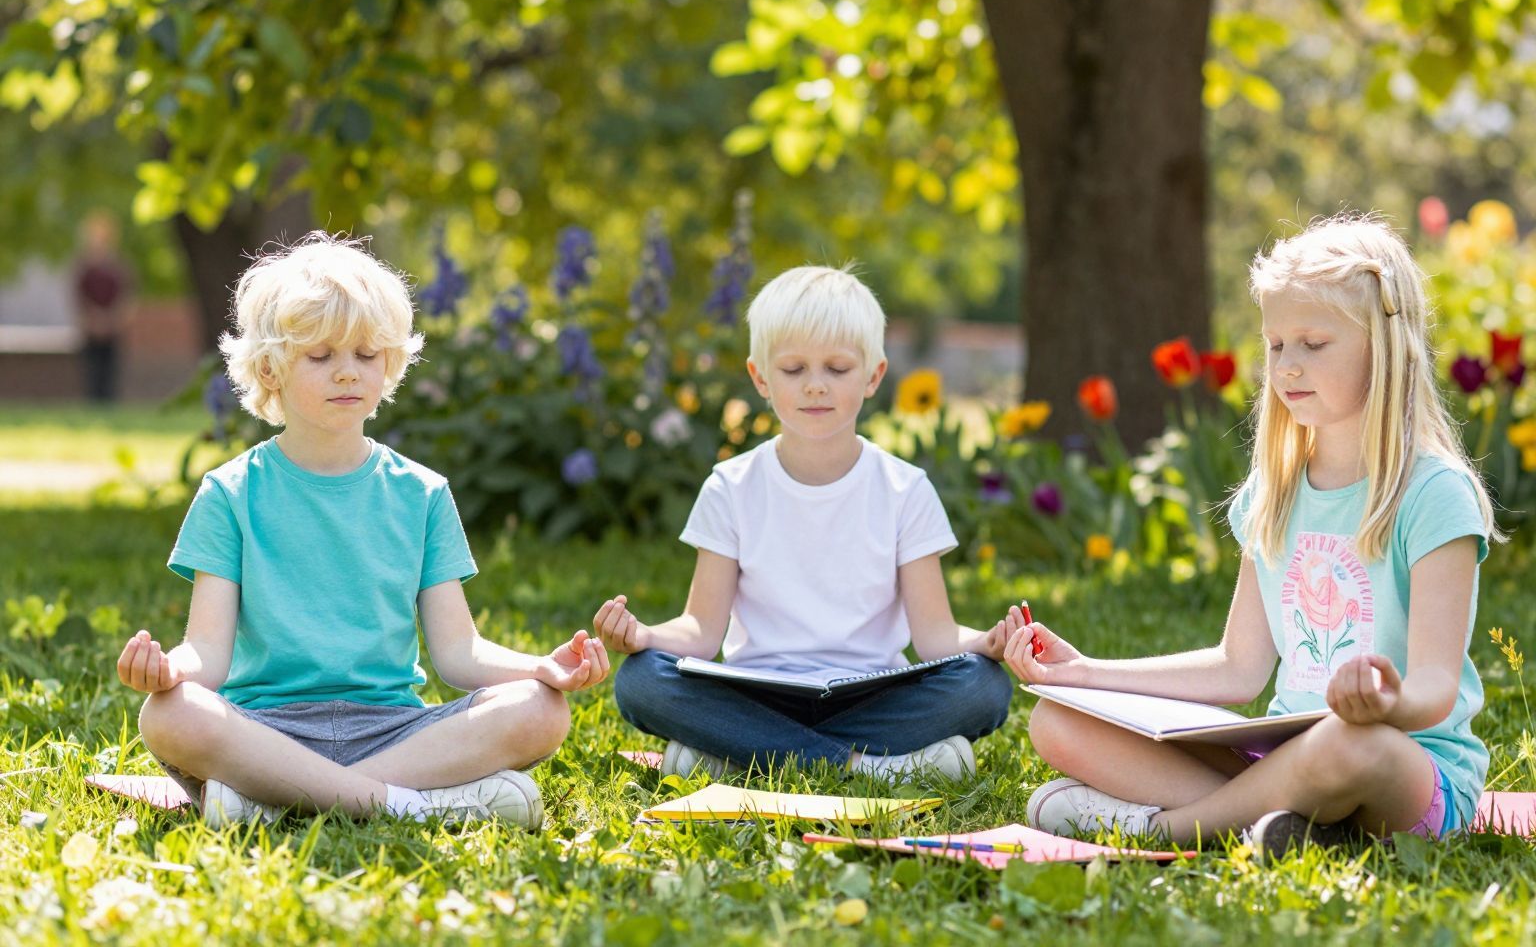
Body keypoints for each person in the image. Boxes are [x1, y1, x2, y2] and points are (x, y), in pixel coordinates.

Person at [1007, 213, 1500, 857]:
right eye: (1275, 345)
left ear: (1386, 347)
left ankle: (1159, 829)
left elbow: (1436, 689)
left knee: (1345, 741)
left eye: (1313, 344)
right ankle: (1297, 826)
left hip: (1404, 766)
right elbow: (1238, 669)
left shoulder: (1434, 494)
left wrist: (1384, 705)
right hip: (1286, 755)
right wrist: (1086, 673)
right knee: (1058, 720)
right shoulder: (1275, 492)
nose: (1287, 367)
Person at [115, 232, 614, 828]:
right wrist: (170, 672)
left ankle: (275, 800)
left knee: (543, 710)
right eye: (321, 356)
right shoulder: (230, 493)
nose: (348, 373)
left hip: (393, 730)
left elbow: (459, 654)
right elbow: (207, 655)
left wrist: (540, 668)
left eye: (367, 355)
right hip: (267, 730)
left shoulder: (423, 494)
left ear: (390, 362)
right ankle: (408, 806)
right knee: (167, 714)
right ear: (271, 368)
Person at [592, 264, 1019, 781]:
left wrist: (987, 643)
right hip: (756, 695)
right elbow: (701, 632)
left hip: (871, 697)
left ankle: (736, 753)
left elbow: (936, 637)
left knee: (983, 684)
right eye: (794, 369)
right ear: (761, 378)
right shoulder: (731, 487)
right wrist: (642, 635)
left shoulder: (905, 490)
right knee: (640, 679)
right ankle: (867, 767)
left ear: (873, 376)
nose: (815, 386)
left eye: (837, 369)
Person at [73, 211, 133, 402]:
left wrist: (112, 319)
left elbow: (125, 295)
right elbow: (79, 297)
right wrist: (93, 319)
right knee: (92, 370)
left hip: (113, 326)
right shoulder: (83, 267)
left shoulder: (118, 266)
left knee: (110, 371)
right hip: (91, 327)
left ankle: (109, 404)